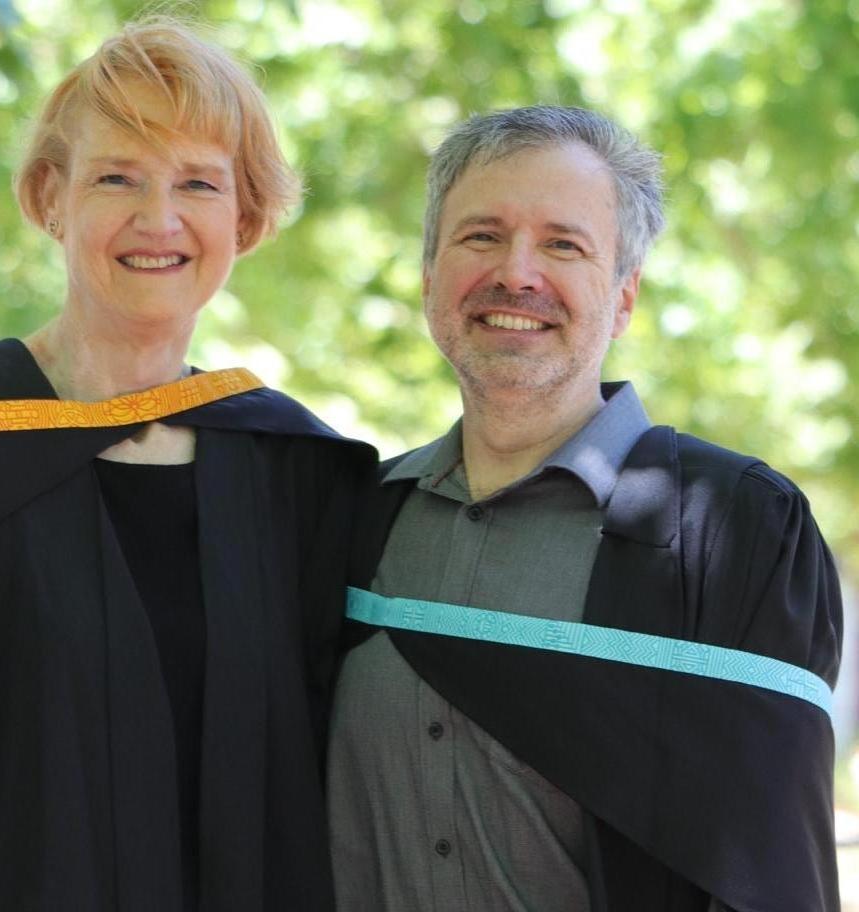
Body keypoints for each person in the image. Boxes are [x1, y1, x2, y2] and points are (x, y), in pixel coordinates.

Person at [0, 17, 371, 912]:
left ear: (245, 218)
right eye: (116, 177)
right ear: (48, 198)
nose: (159, 218)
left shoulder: (293, 475)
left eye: (198, 182)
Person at [329, 106, 841, 912]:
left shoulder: (732, 528)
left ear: (623, 296)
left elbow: (767, 877)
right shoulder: (350, 517)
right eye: (480, 236)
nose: (516, 274)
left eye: (562, 245)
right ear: (428, 276)